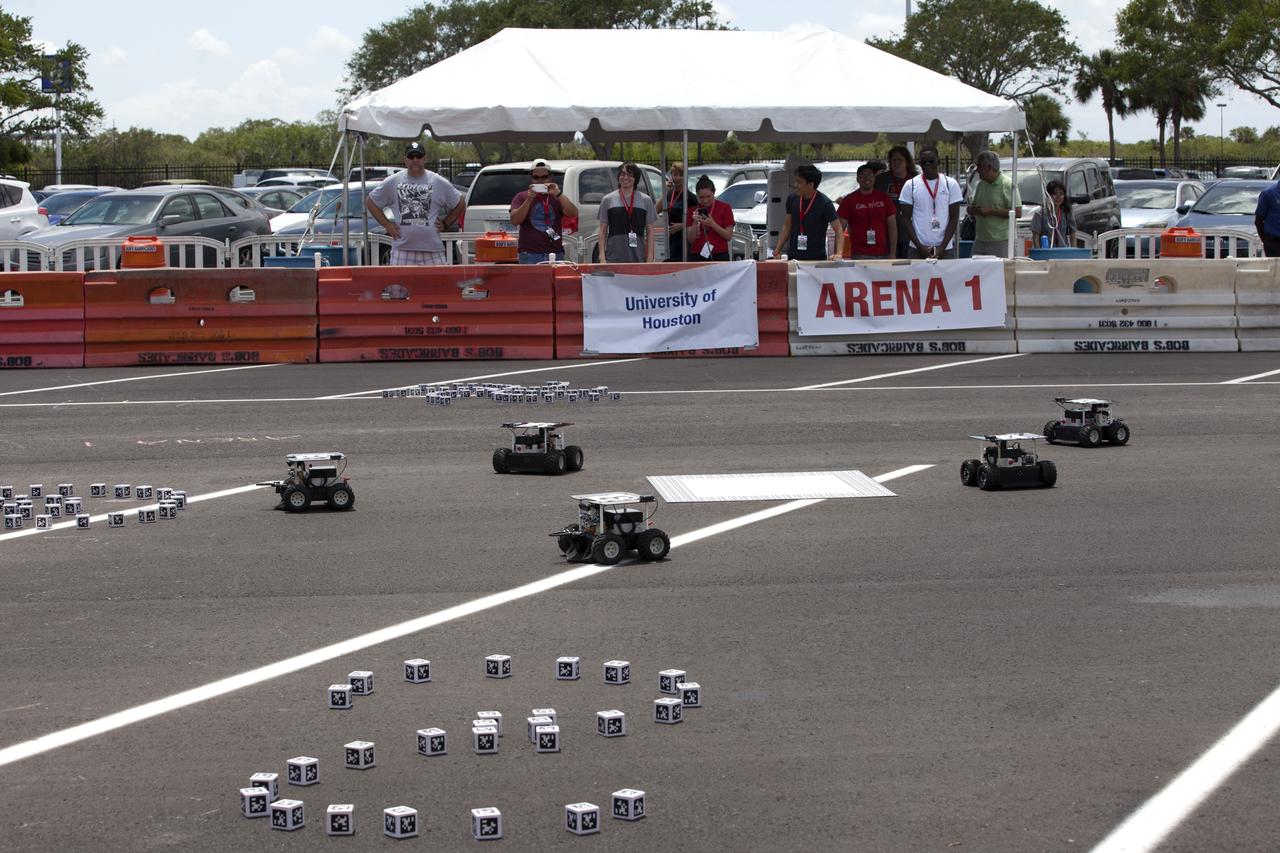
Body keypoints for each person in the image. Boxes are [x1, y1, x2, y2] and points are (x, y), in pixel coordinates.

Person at [365, 141, 465, 265]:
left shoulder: (437, 181)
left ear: (425, 158)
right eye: (411, 156)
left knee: (439, 284)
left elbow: (460, 202)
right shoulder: (393, 181)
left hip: (432, 251)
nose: (415, 160)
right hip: (402, 250)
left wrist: (446, 223)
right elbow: (371, 202)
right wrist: (388, 225)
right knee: (398, 285)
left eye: (419, 156)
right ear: (405, 159)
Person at [897, 147, 962, 260]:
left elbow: (954, 217)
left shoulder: (950, 184)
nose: (927, 164)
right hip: (917, 249)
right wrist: (919, 246)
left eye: (931, 161)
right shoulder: (910, 185)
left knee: (945, 278)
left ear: (938, 161)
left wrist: (942, 247)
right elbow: (906, 219)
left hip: (945, 248)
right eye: (923, 162)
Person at [509, 158, 578, 264]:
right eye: (536, 177)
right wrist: (529, 199)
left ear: (550, 177)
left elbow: (574, 213)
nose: (540, 181)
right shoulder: (522, 196)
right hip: (530, 254)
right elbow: (515, 220)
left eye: (544, 177)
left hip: (555, 253)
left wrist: (558, 194)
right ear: (531, 178)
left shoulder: (556, 197)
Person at [774, 164, 843, 260]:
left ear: (811, 185)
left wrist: (838, 253)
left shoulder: (824, 203)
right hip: (794, 257)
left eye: (799, 182)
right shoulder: (792, 199)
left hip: (816, 259)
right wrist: (777, 250)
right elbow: (787, 226)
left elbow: (838, 230)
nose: (795, 185)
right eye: (795, 181)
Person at [598, 162, 657, 263]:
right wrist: (602, 257)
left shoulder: (646, 200)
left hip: (638, 257)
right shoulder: (607, 200)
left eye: (630, 175)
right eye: (622, 174)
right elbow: (602, 231)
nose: (625, 177)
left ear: (636, 179)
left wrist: (650, 257)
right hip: (613, 257)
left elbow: (650, 231)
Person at [836, 163, 897, 260]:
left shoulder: (884, 198)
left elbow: (892, 227)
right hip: (860, 255)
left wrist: (893, 253)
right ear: (858, 179)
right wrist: (838, 253)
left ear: (874, 178)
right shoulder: (849, 200)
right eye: (863, 175)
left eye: (870, 174)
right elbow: (840, 229)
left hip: (883, 254)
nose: (867, 178)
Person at [968, 150, 1021, 257]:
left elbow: (1017, 212)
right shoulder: (981, 184)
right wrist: (972, 210)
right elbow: (975, 205)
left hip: (1001, 241)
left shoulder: (1007, 184)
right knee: (978, 271)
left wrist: (990, 211)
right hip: (980, 239)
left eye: (979, 167)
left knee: (1003, 272)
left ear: (988, 167)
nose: (977, 170)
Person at [875, 145, 918, 260]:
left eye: (900, 160)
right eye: (894, 160)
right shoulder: (881, 179)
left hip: (910, 233)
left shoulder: (916, 179)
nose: (897, 163)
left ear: (907, 162)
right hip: (886, 233)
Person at [686, 175, 735, 261]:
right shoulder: (692, 210)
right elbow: (690, 240)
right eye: (701, 197)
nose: (705, 201)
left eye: (708, 196)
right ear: (697, 195)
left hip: (719, 254)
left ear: (714, 192)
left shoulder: (725, 208)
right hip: (697, 254)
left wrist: (712, 224)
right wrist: (695, 222)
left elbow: (728, 236)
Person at [664, 161, 697, 262]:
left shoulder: (690, 197)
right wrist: (665, 192)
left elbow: (698, 219)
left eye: (681, 175)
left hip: (683, 238)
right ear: (671, 176)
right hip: (670, 237)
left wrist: (682, 225)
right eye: (675, 175)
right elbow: (656, 209)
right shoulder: (669, 194)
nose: (678, 178)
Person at [1030, 179, 1075, 248]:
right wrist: (1039, 254)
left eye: (1061, 194)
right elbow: (1036, 237)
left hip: (1063, 252)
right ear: (1048, 195)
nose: (1058, 197)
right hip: (1046, 253)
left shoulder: (1066, 213)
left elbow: (1072, 233)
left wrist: (1074, 252)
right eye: (1054, 194)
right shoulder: (1040, 214)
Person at [1255, 176, 1280, 257]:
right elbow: (1259, 220)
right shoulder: (1268, 193)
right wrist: (1266, 241)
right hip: (1275, 242)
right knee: (1276, 269)